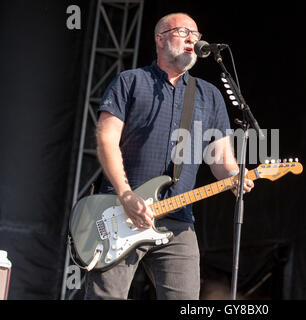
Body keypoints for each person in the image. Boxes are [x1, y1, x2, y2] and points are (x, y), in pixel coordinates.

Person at [84, 12, 254, 300]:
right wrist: (126, 195)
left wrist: (234, 176)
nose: (192, 39)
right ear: (160, 38)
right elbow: (106, 141)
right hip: (120, 212)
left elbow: (220, 158)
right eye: (183, 31)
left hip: (177, 220)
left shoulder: (210, 95)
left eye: (196, 35)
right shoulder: (130, 82)